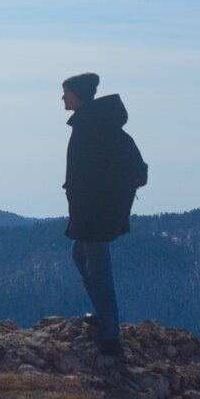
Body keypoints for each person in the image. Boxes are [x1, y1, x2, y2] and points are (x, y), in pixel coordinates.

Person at [62, 72, 147, 357]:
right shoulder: (96, 123)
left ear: (80, 95)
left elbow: (121, 167)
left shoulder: (93, 126)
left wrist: (96, 195)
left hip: (94, 211)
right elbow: (132, 166)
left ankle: (109, 335)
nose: (63, 97)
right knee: (82, 255)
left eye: (67, 92)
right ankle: (104, 318)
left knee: (98, 267)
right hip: (93, 209)